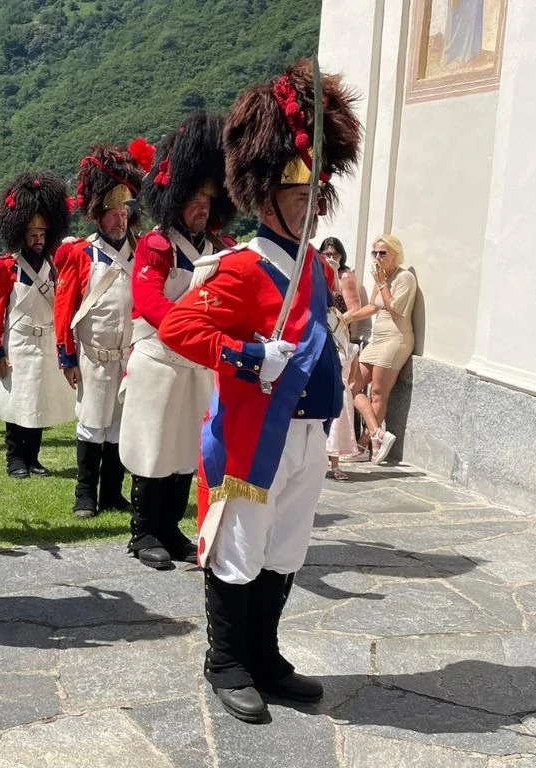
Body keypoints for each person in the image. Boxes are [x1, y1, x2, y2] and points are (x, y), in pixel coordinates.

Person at [158, 59, 361, 723]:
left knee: (285, 548)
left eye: (315, 198)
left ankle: (265, 655)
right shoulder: (242, 268)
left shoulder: (312, 270)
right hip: (253, 436)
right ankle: (225, 659)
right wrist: (248, 357)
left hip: (304, 433)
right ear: (266, 197)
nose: (311, 207)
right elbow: (178, 326)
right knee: (241, 547)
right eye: (300, 197)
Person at [118, 112, 236, 570]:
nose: (202, 207)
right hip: (160, 358)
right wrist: (191, 331)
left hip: (197, 363)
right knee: (154, 447)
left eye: (209, 199)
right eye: (194, 198)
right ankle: (143, 531)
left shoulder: (219, 248)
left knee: (186, 450)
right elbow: (147, 299)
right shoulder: (156, 245)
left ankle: (170, 528)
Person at [54, 141, 152, 518]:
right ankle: (85, 495)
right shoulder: (81, 253)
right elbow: (64, 309)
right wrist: (67, 356)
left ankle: (111, 493)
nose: (119, 220)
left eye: (123, 212)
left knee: (119, 428)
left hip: (129, 358)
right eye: (111, 214)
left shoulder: (141, 250)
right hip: (92, 357)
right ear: (98, 215)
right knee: (93, 427)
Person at [0, 172, 75, 478]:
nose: (38, 240)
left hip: (46, 341)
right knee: (16, 402)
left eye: (42, 234)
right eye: (32, 234)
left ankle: (33, 458)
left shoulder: (54, 266)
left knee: (38, 401)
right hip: (19, 343)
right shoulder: (6, 267)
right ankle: (15, 459)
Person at [344, 234, 416, 465]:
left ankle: (363, 446)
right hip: (378, 339)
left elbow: (395, 309)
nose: (377, 257)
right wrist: (347, 317)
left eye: (382, 253)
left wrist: (383, 282)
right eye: (374, 253)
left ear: (395, 254)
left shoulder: (404, 278)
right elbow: (374, 307)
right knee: (352, 385)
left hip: (396, 339)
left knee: (377, 393)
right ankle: (378, 433)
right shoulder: (381, 278)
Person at [319, 237, 364, 478]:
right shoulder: (315, 272)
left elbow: (353, 308)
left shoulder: (344, 276)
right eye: (326, 253)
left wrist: (340, 322)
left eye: (334, 253)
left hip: (338, 333)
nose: (330, 257)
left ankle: (335, 460)